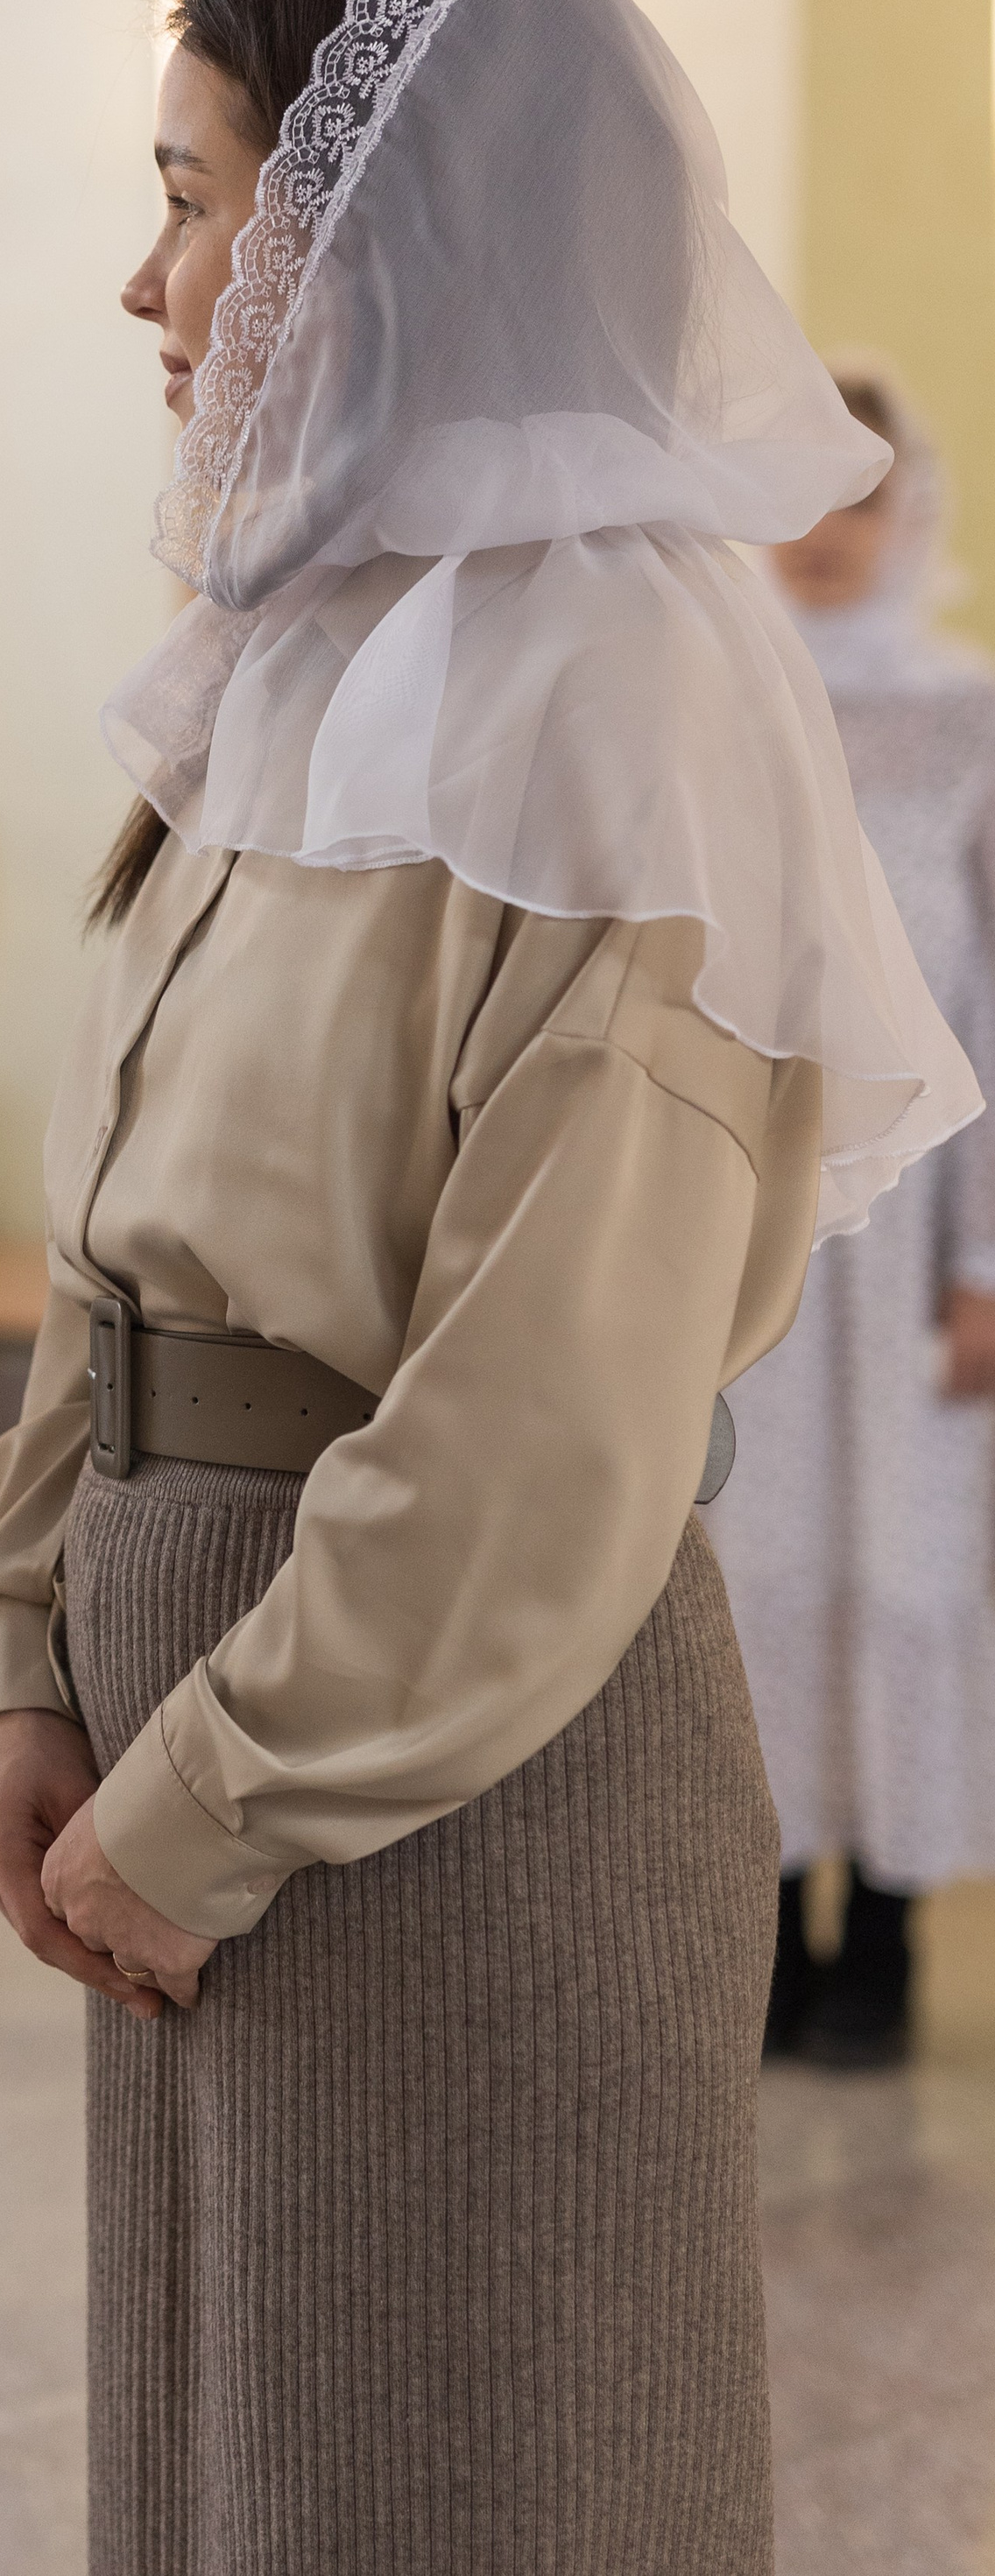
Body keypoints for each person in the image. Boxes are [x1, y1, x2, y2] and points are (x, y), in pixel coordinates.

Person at [0, 0, 978, 2575]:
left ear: (391, 221)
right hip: (198, 1691)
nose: (139, 277)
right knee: (236, 2473)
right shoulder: (293, 635)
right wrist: (15, 1661)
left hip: (443, 1759)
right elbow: (119, 1234)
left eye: (197, 195)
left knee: (462, 2478)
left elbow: (552, 1408)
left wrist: (200, 1799)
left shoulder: (612, 686)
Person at [705, 355, 995, 2068]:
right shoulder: (707, 694)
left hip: (911, 1243)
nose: (823, 532)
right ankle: (763, 1926)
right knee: (753, 1569)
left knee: (897, 1556)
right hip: (747, 1230)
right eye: (797, 491)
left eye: (858, 496)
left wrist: (983, 1266)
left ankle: (880, 1929)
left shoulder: (967, 717)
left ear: (909, 514)